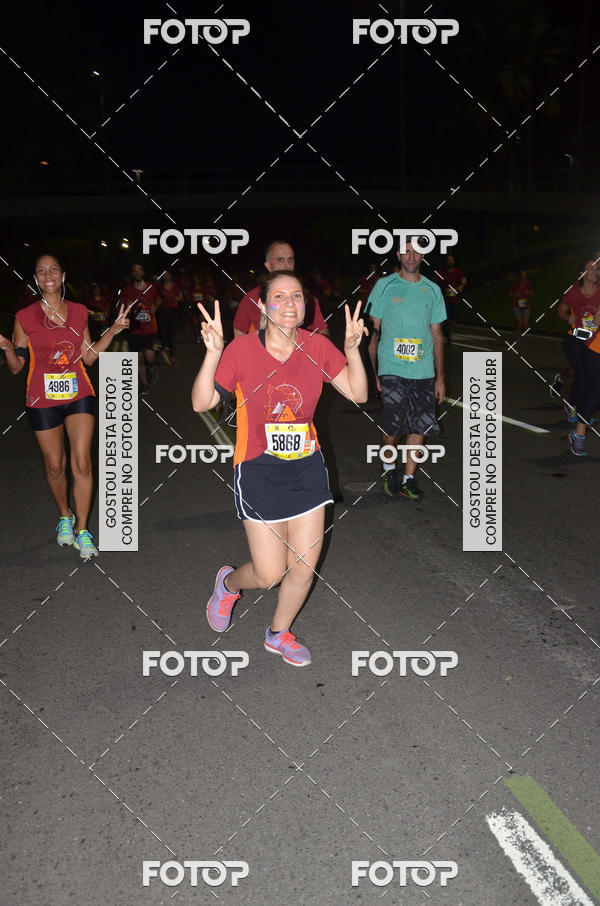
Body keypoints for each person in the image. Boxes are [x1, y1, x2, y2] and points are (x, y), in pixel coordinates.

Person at [192, 270, 368, 667]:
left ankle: (278, 633)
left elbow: (357, 393)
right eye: (280, 297)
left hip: (306, 467)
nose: (290, 304)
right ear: (261, 306)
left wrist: (353, 349)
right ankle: (228, 584)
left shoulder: (317, 346)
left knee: (304, 567)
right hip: (257, 469)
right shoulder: (241, 351)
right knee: (270, 573)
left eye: (297, 297)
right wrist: (213, 352)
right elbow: (202, 403)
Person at [0, 254, 129, 556]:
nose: (48, 275)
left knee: (82, 462)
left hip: (78, 393)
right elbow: (18, 367)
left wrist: (112, 330)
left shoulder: (80, 312)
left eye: (53, 270)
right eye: (41, 271)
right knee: (55, 465)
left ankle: (83, 529)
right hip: (41, 398)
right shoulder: (25, 317)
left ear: (62, 276)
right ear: (35, 279)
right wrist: (7, 347)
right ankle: (65, 516)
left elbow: (87, 357)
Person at [366, 239, 446, 500]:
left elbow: (437, 335)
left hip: (423, 371)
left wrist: (440, 377)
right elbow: (374, 333)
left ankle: (408, 479)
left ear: (424, 254)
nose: (411, 256)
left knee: (419, 426)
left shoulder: (433, 290)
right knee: (393, 424)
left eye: (416, 251)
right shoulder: (383, 286)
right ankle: (390, 468)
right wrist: (375, 372)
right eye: (406, 251)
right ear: (398, 255)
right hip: (392, 367)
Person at [233, 240, 329, 338]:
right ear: (268, 266)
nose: (287, 266)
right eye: (280, 260)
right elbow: (238, 340)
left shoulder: (306, 298)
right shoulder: (252, 298)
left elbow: (323, 333)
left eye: (290, 260)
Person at [556, 260, 600, 450]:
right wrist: (568, 317)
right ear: (582, 273)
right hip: (577, 339)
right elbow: (561, 310)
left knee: (591, 383)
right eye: (591, 268)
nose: (595, 271)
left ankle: (582, 414)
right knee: (582, 375)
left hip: (593, 339)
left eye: (596, 268)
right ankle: (574, 406)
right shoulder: (573, 292)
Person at [120, 263, 161, 395]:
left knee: (149, 357)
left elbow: (159, 300)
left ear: (143, 273)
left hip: (149, 328)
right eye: (134, 271)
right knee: (139, 359)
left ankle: (153, 367)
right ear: (132, 274)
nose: (137, 272)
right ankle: (145, 384)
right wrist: (127, 310)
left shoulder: (151, 287)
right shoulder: (127, 290)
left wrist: (155, 306)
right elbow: (123, 308)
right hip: (134, 330)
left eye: (139, 270)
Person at [437, 254, 466, 345]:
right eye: (448, 260)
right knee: (447, 319)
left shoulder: (457, 272)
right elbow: (434, 281)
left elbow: (464, 279)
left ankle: (446, 332)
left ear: (454, 262)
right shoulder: (442, 272)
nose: (450, 261)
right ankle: (447, 337)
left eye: (451, 260)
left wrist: (461, 286)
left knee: (454, 319)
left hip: (455, 300)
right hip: (444, 300)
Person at [157, 271, 182, 364]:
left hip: (173, 310)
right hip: (163, 310)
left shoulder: (175, 285)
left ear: (170, 275)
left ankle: (172, 355)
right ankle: (164, 345)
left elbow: (180, 297)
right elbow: (157, 298)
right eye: (164, 274)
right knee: (162, 331)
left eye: (167, 274)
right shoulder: (159, 286)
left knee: (171, 334)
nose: (165, 275)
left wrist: (176, 298)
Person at [509, 269, 534, 346]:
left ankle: (516, 330)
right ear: (519, 276)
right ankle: (518, 339)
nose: (523, 276)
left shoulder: (528, 284)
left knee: (525, 326)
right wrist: (515, 295)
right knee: (519, 323)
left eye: (524, 274)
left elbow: (532, 294)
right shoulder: (515, 284)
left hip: (525, 306)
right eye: (521, 274)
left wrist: (528, 293)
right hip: (517, 306)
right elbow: (510, 294)